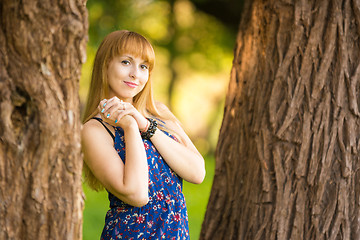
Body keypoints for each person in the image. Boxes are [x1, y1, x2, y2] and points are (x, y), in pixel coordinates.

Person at [81, 30, 206, 239]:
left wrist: (146, 126)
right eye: (125, 62)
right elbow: (136, 194)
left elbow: (197, 172)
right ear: (105, 65)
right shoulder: (94, 130)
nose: (135, 74)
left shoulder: (159, 113)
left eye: (143, 66)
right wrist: (130, 126)